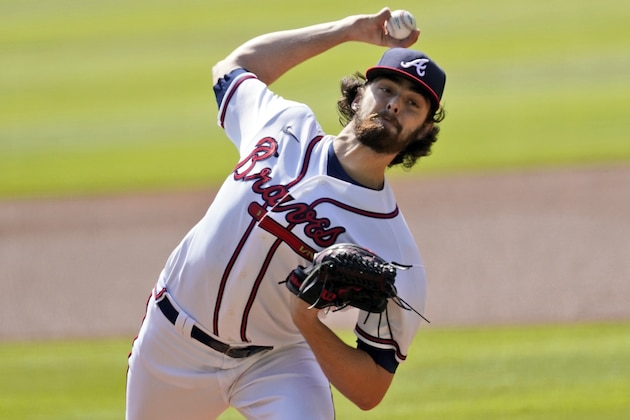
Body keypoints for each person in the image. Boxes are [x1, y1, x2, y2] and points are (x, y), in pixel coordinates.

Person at [126, 7, 446, 419]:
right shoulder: (283, 123)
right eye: (385, 89)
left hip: (278, 362)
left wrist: (308, 323)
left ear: (422, 133)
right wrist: (346, 30)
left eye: (413, 103)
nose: (394, 105)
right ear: (358, 94)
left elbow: (371, 388)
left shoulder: (394, 250)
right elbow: (234, 67)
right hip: (172, 342)